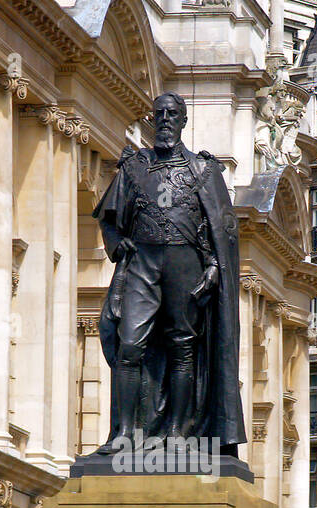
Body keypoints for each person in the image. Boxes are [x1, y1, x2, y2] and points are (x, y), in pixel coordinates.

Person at [91, 92, 246, 454]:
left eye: (172, 114)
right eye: (159, 113)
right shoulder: (133, 167)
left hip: (185, 263)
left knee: (182, 347)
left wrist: (212, 267)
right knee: (130, 344)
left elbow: (223, 230)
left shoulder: (204, 171)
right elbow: (109, 218)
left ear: (183, 121)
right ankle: (125, 433)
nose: (164, 119)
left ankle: (179, 432)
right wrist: (117, 244)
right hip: (142, 262)